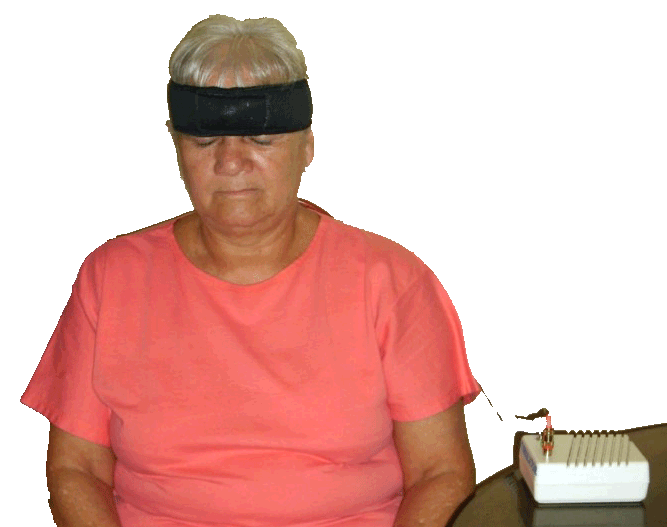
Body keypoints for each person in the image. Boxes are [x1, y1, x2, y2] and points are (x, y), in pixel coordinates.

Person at [21, 15, 481, 527]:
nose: (231, 161)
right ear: (177, 149)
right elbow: (76, 470)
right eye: (204, 141)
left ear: (307, 145)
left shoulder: (392, 281)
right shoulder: (110, 279)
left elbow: (439, 473)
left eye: (260, 138)